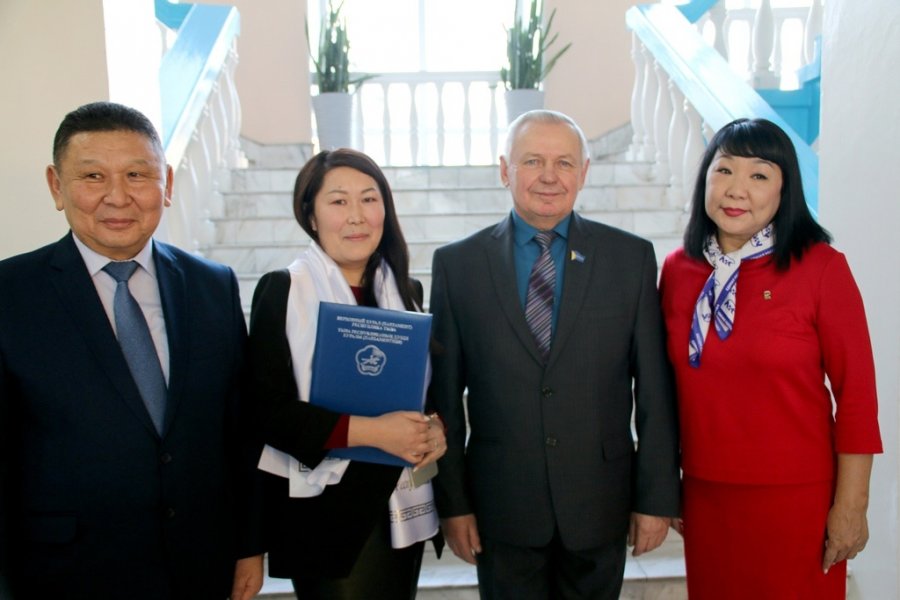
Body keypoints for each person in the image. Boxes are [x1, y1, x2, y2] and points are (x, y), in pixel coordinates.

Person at [0, 102, 264, 599]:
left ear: (167, 184)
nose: (118, 197)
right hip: (61, 572)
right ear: (56, 186)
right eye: (93, 176)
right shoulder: (11, 294)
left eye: (137, 175)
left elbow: (239, 428)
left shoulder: (212, 286)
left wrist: (249, 544)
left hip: (199, 564)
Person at [428, 109, 681, 599]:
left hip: (599, 503)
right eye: (532, 161)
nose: (549, 176)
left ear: (583, 172)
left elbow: (654, 390)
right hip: (501, 508)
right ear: (505, 170)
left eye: (564, 163)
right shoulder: (458, 265)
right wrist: (454, 505)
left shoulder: (629, 259)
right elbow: (444, 399)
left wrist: (655, 497)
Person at [659, 118, 883, 599]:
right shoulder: (678, 270)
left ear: (785, 189)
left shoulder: (821, 268)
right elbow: (665, 389)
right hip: (705, 496)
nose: (736, 189)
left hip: (797, 499)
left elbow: (858, 397)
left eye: (759, 175)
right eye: (724, 170)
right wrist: (667, 484)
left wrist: (852, 504)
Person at [247, 148, 446, 599]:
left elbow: (425, 395)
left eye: (369, 199)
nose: (356, 216)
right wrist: (374, 433)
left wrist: (435, 429)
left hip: (401, 507)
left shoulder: (405, 290)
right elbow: (267, 413)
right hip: (327, 516)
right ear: (311, 216)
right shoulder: (285, 290)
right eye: (338, 201)